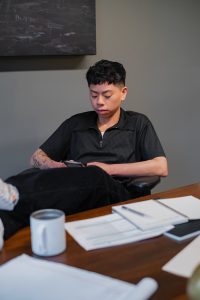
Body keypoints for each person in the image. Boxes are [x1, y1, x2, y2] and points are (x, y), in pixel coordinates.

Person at [0, 59, 168, 250]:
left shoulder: (138, 123)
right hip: (76, 189)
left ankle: (9, 192)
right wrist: (56, 167)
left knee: (95, 174)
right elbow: (36, 157)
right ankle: (4, 222)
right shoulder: (76, 123)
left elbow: (161, 166)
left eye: (106, 95)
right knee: (33, 175)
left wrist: (108, 169)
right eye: (93, 94)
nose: (99, 102)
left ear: (123, 93)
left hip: (117, 192)